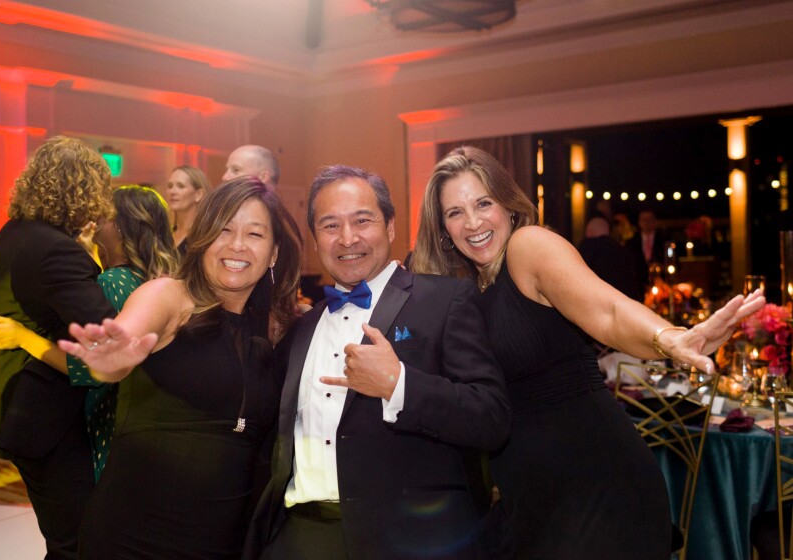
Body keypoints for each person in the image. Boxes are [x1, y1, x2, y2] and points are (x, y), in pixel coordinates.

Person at [410, 146, 765, 559]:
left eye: (483, 203)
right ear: (443, 230)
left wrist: (669, 339)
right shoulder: (463, 295)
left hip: (598, 487)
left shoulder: (529, 248)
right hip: (527, 501)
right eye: (455, 213)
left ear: (508, 205)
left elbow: (608, 311)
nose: (473, 222)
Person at [245, 165, 511, 560]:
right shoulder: (300, 329)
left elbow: (491, 418)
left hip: (411, 540)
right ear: (315, 239)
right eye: (330, 225)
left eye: (362, 221)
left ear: (389, 227)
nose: (347, 238)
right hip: (300, 538)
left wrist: (398, 384)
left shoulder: (445, 300)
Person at [58, 177, 302, 559]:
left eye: (254, 234)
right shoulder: (168, 296)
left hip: (223, 542)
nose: (237, 245)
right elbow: (127, 338)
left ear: (273, 253)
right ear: (202, 238)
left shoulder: (279, 328)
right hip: (133, 536)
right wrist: (112, 361)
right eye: (223, 230)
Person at [0, 185, 180, 482]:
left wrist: (22, 337)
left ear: (119, 227)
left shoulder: (112, 283)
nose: (94, 223)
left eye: (102, 217)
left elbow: (87, 365)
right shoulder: (161, 282)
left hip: (110, 421)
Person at [0, 136, 117, 559]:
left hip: (17, 396)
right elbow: (104, 331)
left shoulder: (14, 232)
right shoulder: (58, 250)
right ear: (84, 189)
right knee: (76, 542)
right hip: (47, 412)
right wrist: (99, 262)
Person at [578, 216, 643, 302]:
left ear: (589, 232)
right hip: (622, 304)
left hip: (594, 303)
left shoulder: (585, 250)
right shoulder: (623, 252)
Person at [166, 165, 212, 254]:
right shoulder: (165, 234)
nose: (173, 191)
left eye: (180, 186)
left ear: (198, 194)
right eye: (170, 186)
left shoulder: (204, 236)